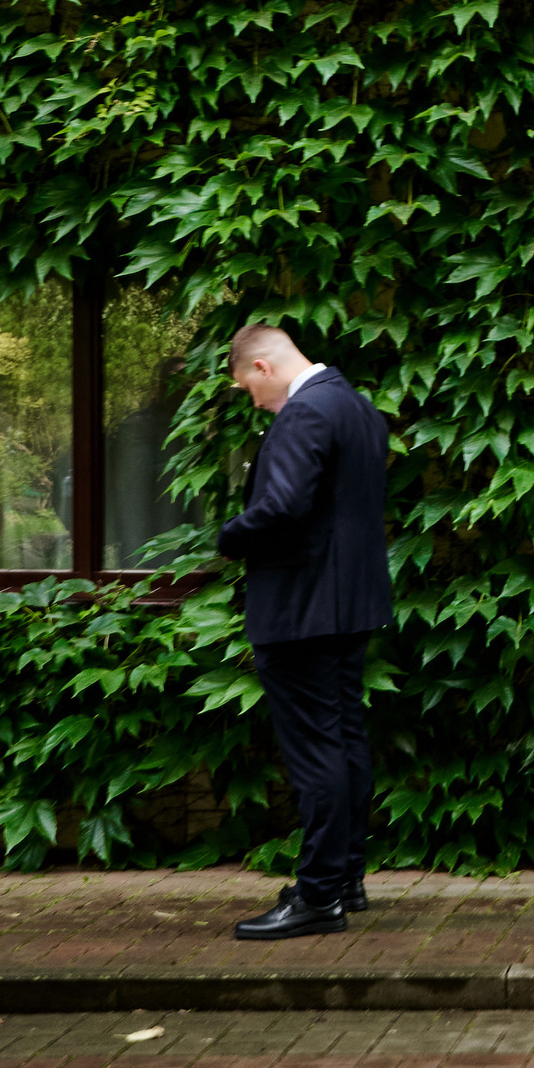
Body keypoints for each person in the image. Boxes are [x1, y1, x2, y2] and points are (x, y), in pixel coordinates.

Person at [217, 324, 395, 941]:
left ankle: (319, 898)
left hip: (302, 609)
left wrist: (228, 537)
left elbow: (282, 507)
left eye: (248, 388)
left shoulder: (304, 414)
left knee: (318, 751)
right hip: (350, 606)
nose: (254, 401)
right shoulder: (359, 408)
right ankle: (343, 880)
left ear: (263, 367)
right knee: (344, 740)